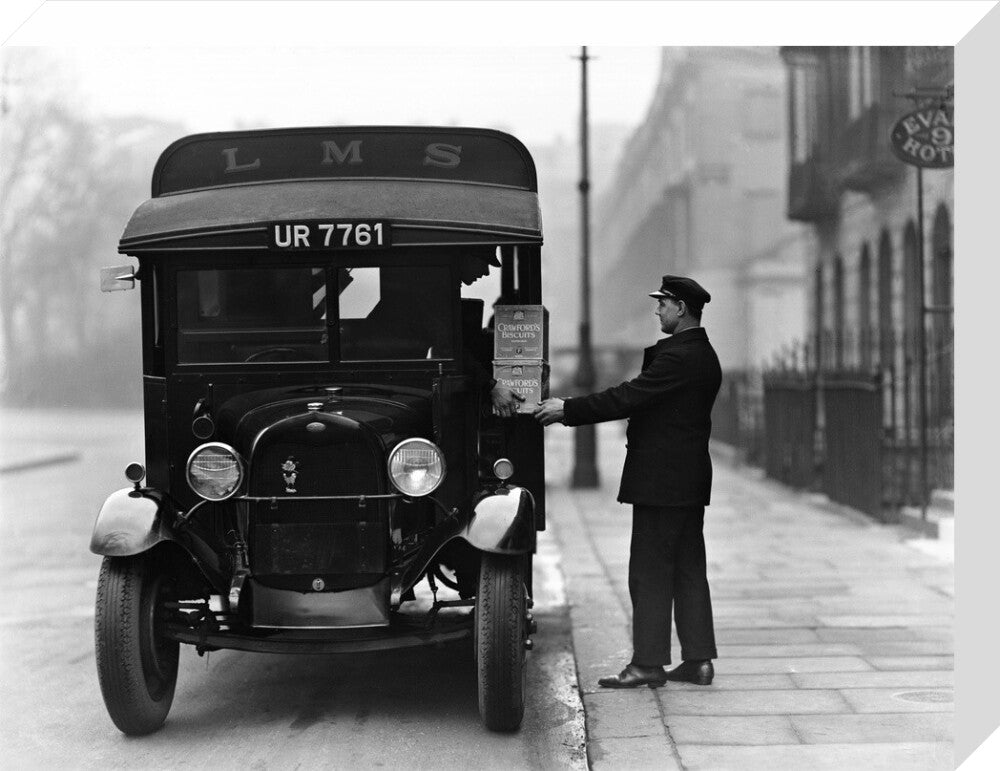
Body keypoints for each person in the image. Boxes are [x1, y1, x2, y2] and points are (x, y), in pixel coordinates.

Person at [533, 275, 722, 688]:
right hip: (687, 480)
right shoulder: (703, 354)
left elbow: (627, 396)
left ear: (681, 309)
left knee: (650, 571)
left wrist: (568, 409)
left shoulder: (680, 357)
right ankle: (699, 660)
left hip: (662, 481)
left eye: (663, 303)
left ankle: (647, 664)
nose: (657, 310)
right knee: (688, 569)